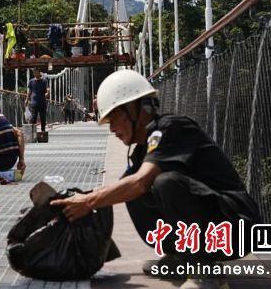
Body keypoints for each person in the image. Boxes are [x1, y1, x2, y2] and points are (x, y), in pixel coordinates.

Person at [51, 70, 260, 289]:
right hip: (216, 229)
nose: (112, 129)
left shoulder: (173, 128)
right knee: (129, 186)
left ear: (135, 109)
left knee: (162, 183)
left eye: (114, 118)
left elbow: (141, 182)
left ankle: (203, 269)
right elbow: (125, 187)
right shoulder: (144, 148)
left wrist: (88, 202)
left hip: (237, 229)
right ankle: (181, 257)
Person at [26, 68, 50, 132]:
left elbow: (47, 89)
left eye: (36, 72)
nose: (35, 74)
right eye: (34, 73)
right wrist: (27, 99)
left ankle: (43, 131)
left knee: (43, 118)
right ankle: (33, 132)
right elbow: (29, 92)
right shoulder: (31, 81)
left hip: (42, 102)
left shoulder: (44, 81)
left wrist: (48, 93)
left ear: (39, 73)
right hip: (34, 103)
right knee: (33, 118)